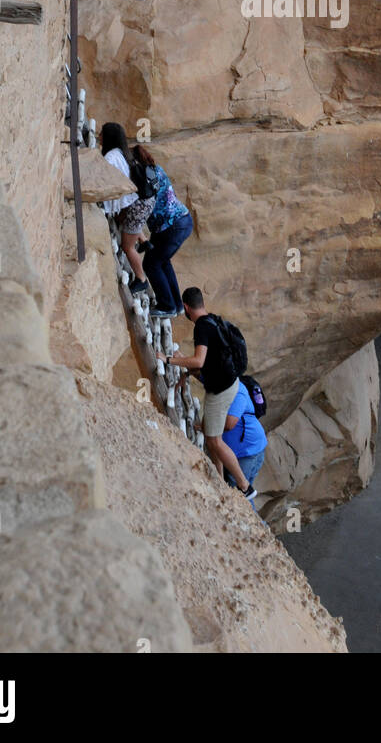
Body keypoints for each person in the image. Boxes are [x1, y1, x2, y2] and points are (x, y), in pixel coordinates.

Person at [160, 287, 257, 499]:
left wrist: (169, 360)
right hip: (230, 383)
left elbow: (198, 361)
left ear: (186, 307)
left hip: (220, 392)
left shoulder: (201, 328)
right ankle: (221, 478)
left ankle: (244, 486)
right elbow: (207, 362)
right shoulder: (213, 319)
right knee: (215, 438)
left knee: (214, 441)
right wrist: (189, 370)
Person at [134, 145, 193, 318]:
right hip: (180, 220)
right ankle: (176, 304)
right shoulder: (154, 169)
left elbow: (142, 201)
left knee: (151, 264)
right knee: (162, 261)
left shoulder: (142, 176)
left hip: (171, 226)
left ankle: (167, 306)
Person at [99, 122, 153, 293]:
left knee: (127, 247)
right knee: (126, 221)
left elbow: (105, 179)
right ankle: (144, 241)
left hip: (137, 205)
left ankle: (141, 278)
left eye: (101, 133)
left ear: (108, 137)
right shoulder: (123, 152)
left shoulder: (110, 157)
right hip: (143, 201)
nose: (98, 136)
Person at [222, 380, 267, 505]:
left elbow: (229, 424)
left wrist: (206, 427)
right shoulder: (232, 384)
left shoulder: (238, 391)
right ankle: (258, 523)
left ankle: (256, 524)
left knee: (239, 495)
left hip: (246, 451)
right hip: (256, 446)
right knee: (246, 494)